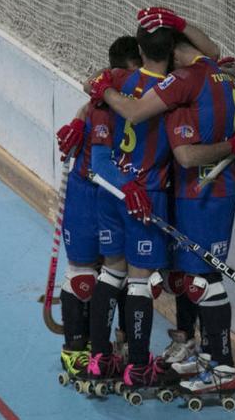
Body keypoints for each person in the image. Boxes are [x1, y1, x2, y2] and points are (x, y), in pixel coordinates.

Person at [90, 8, 235, 395]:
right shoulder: (212, 68)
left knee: (200, 280)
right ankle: (197, 352)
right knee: (187, 278)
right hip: (188, 193)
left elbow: (174, 147)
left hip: (207, 192)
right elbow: (211, 48)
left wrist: (101, 90)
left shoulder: (179, 82)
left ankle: (221, 368)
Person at [83, 25, 176, 390]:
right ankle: (138, 366)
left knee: (110, 274)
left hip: (113, 191)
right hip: (146, 193)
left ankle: (101, 356)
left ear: (139, 48)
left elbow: (92, 82)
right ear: (171, 51)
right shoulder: (175, 87)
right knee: (139, 282)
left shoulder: (119, 78)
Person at [53, 35, 142, 380]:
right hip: (88, 189)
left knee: (115, 272)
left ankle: (111, 343)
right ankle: (75, 349)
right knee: (84, 271)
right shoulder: (111, 89)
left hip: (119, 193)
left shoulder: (137, 90)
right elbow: (94, 91)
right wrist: (80, 119)